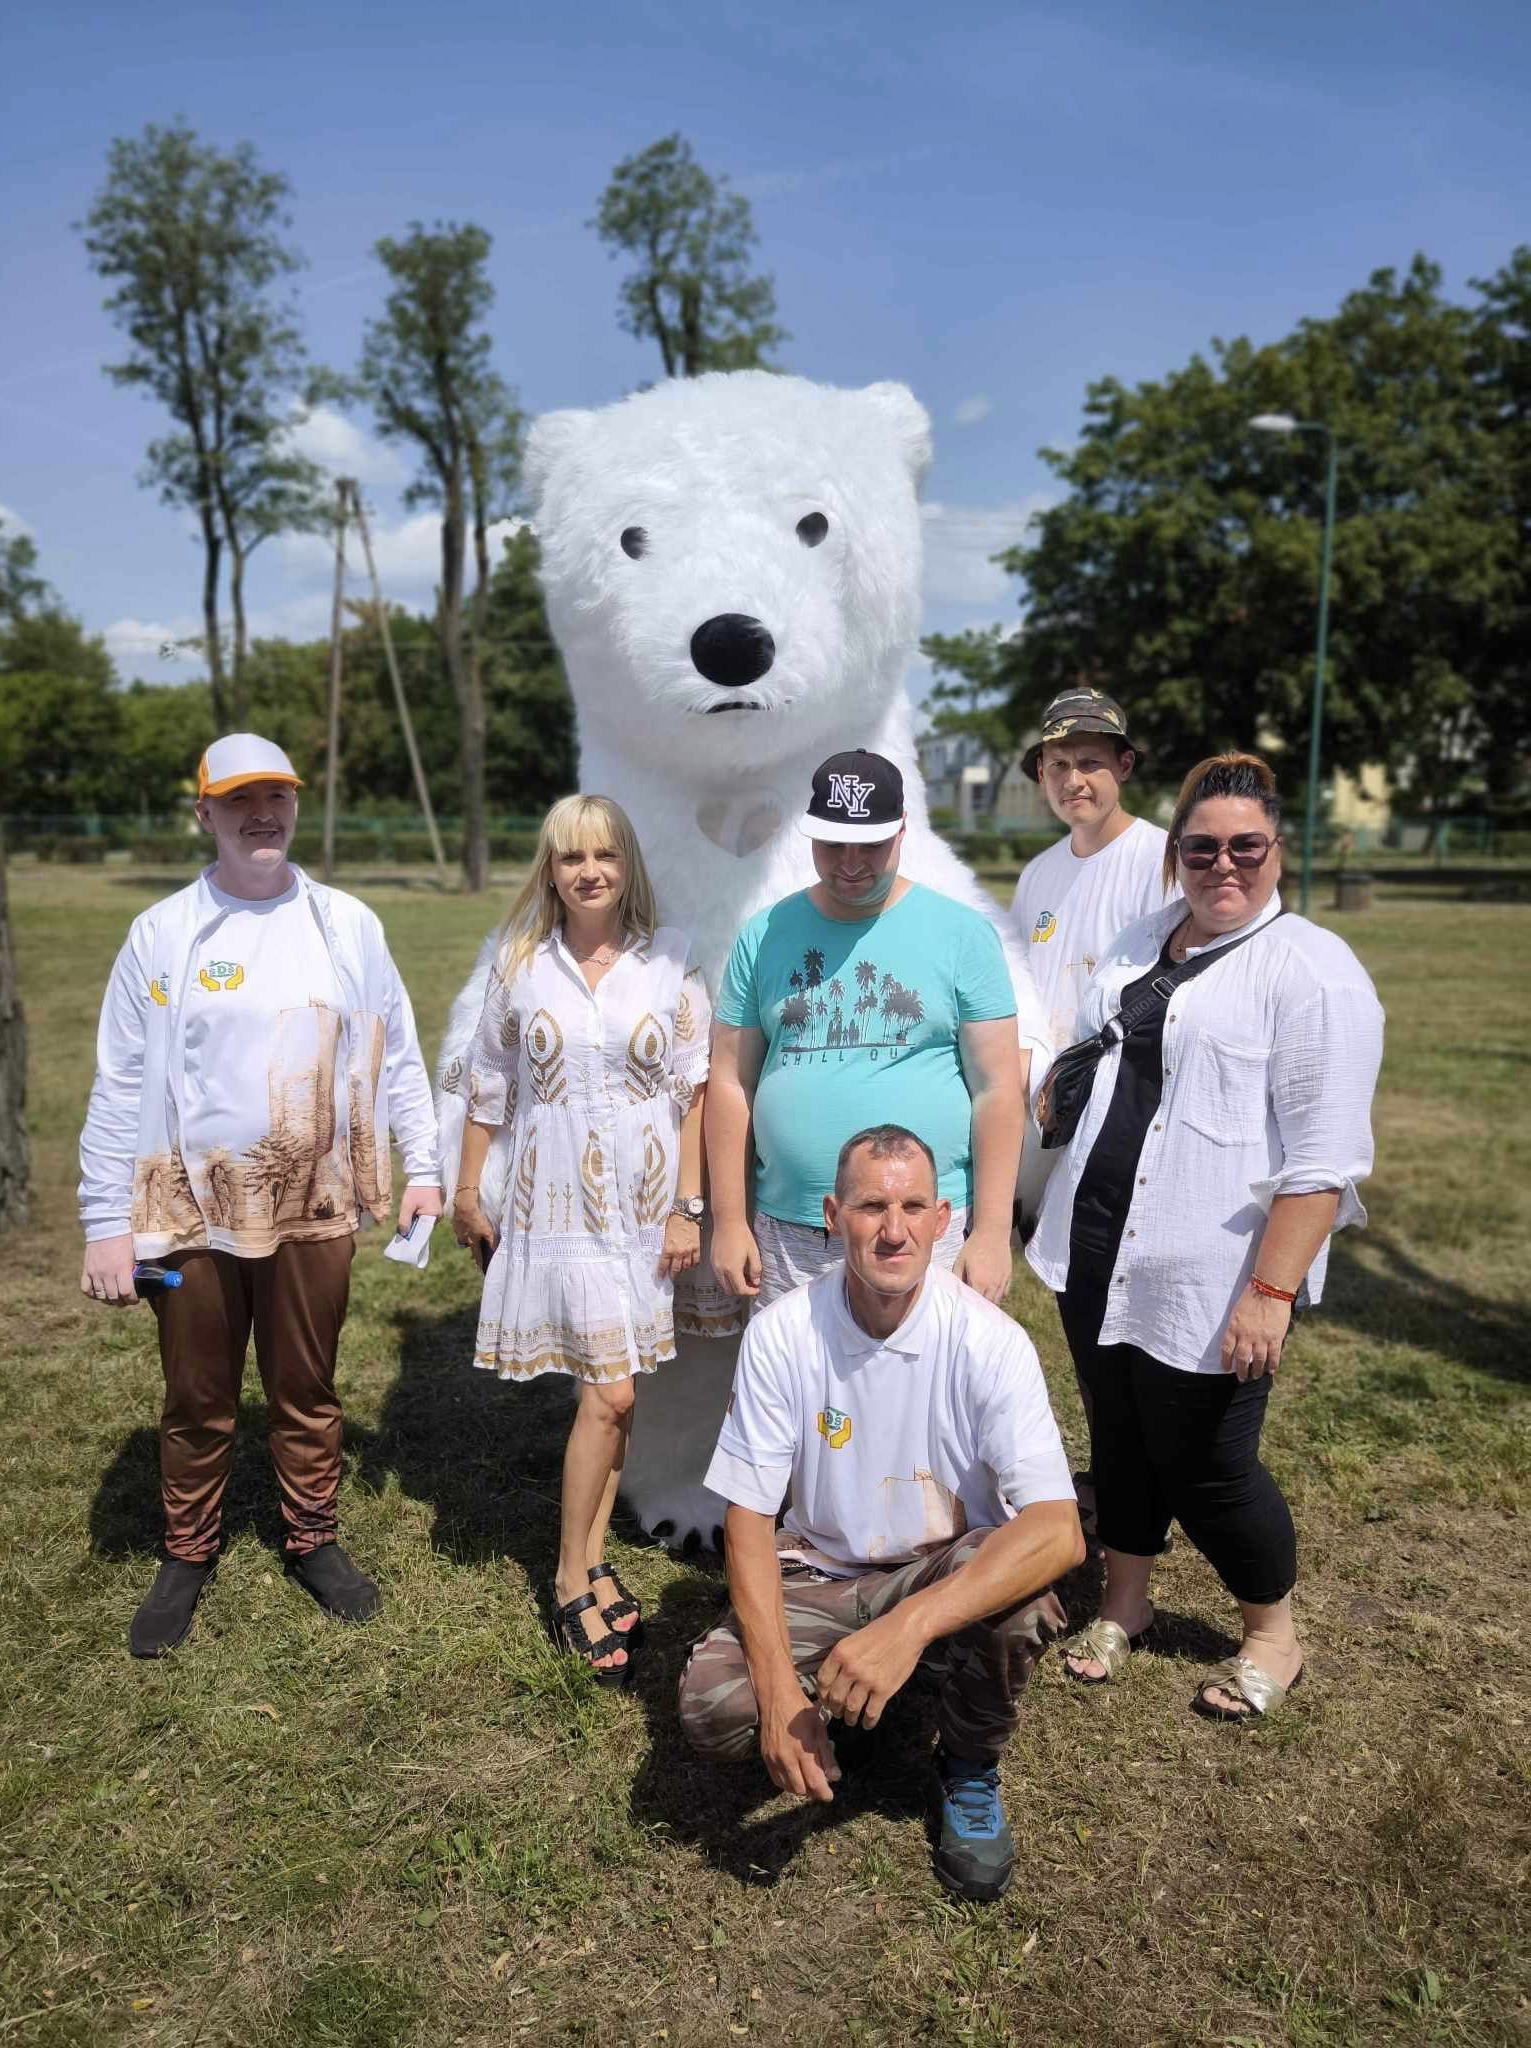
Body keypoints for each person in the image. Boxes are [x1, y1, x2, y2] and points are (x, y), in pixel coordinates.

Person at [1027, 753, 1384, 1719]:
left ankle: (1274, 1633)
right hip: (1094, 1246)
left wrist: (1270, 1294)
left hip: (1214, 1271)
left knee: (1207, 1463)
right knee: (1121, 1435)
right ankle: (1127, 1602)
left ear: (1278, 851)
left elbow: (1323, 1161)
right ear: (1175, 854)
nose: (1222, 865)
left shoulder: (1313, 969)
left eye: (1245, 847)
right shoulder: (1147, 938)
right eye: (1201, 848)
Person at [78, 734, 442, 1657]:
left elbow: (395, 1050)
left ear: (292, 804)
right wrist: (103, 1224)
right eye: (237, 800)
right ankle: (188, 1549)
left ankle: (311, 1536)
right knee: (197, 1394)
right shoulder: (164, 930)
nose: (260, 814)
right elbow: (121, 1082)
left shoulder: (345, 923)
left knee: (306, 1386)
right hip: (187, 1208)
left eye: (274, 796)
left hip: (314, 1204)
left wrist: (426, 1165)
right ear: (204, 813)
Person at [679, 1124, 1082, 1902]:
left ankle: (968, 1765)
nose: (893, 1230)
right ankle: (833, 1706)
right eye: (870, 1206)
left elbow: (1058, 1529)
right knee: (713, 1705)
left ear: (944, 1219)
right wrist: (774, 1690)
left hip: (938, 1566)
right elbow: (748, 1520)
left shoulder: (990, 1342)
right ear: (833, 1215)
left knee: (1021, 1590)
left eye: (912, 1206)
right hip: (822, 1571)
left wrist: (908, 1627)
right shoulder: (780, 1333)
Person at [451, 796, 711, 1687]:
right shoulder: (520, 965)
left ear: (627, 863)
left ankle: (595, 1555)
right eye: (571, 858)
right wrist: (464, 1188)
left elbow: (693, 1095)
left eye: (604, 854)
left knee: (624, 1398)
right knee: (608, 1394)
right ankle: (568, 1576)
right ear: (550, 870)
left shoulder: (670, 963)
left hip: (642, 1214)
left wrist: (690, 1206)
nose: (589, 871)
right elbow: (488, 1080)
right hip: (557, 1203)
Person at [707, 749, 1036, 1314]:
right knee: (803, 1394)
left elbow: (998, 1088)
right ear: (808, 834)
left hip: (923, 1230)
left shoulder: (961, 934)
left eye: (871, 845)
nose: (851, 862)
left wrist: (990, 1232)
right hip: (793, 1231)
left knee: (927, 1392)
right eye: (833, 844)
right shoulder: (762, 935)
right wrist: (731, 1221)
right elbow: (732, 1082)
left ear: (903, 831)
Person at [1010, 686, 1170, 1529]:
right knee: (1082, 1312)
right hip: (1052, 1132)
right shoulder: (1039, 874)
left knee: (1129, 1317)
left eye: (1093, 763)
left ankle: (1143, 1483)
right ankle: (1118, 1474)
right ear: (1042, 773)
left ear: (1126, 767)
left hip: (1130, 1125)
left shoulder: (1159, 862)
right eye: (1060, 764)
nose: (1076, 779)